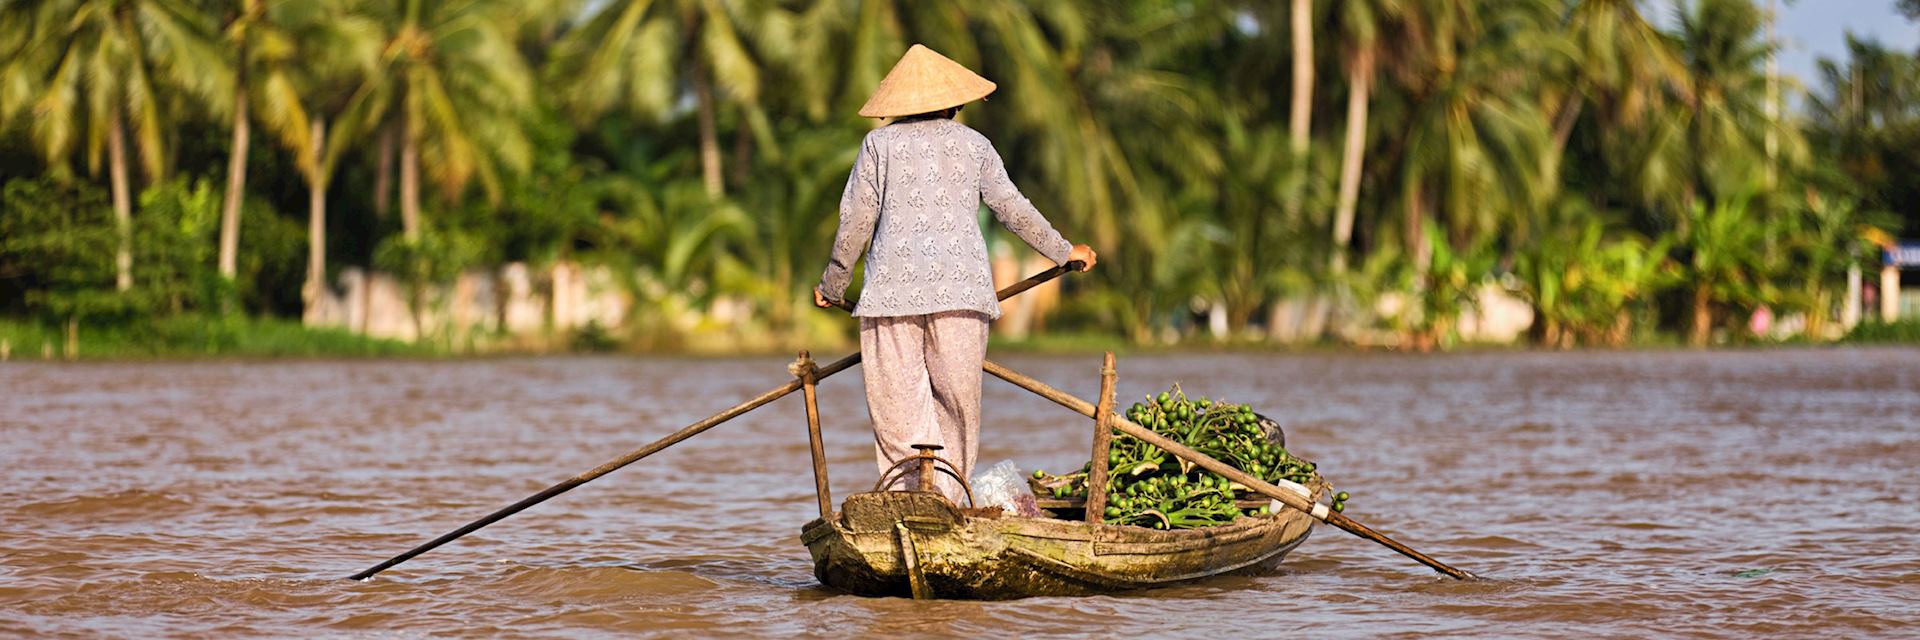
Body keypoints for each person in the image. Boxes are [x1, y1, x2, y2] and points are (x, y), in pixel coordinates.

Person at [814, 44, 1097, 501]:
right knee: (958, 405)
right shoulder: (975, 145)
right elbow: (1012, 209)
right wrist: (1066, 251)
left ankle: (910, 498)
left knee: (897, 406)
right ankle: (945, 499)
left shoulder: (877, 146)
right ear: (954, 103)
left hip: (891, 297)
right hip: (962, 296)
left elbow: (856, 222)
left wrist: (833, 284)